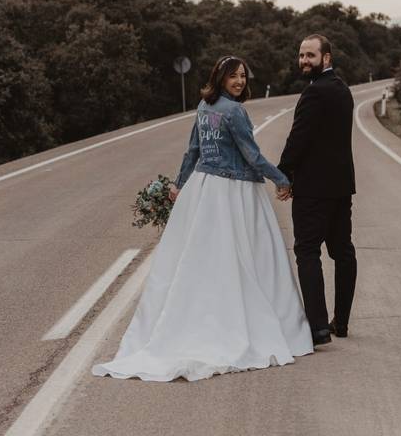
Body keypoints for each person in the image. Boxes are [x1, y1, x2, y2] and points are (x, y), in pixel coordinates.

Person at [92, 56, 313, 382]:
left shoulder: (203, 107)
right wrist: (281, 178)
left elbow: (191, 152)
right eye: (233, 76)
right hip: (235, 190)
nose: (239, 81)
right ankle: (250, 323)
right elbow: (251, 155)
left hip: (204, 189)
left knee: (203, 257)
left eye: (242, 76)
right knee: (249, 256)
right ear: (220, 78)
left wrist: (180, 185)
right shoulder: (234, 111)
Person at [278, 34, 357, 346]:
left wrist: (284, 173)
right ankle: (343, 322)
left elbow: (299, 138)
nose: (304, 61)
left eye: (310, 55)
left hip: (313, 190)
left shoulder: (314, 93)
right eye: (301, 56)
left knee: (307, 252)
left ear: (326, 58)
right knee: (343, 252)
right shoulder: (343, 90)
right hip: (341, 188)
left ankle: (318, 327)